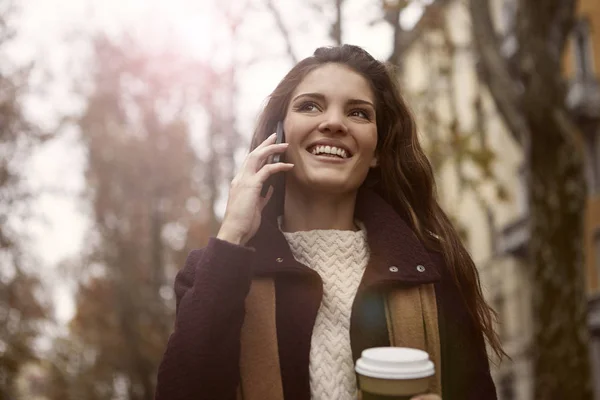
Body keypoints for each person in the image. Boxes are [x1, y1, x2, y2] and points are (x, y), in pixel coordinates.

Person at [155, 45, 503, 400]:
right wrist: (232, 234)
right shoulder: (217, 272)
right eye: (310, 106)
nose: (334, 123)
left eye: (358, 113)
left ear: (379, 151)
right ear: (278, 136)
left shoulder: (433, 274)